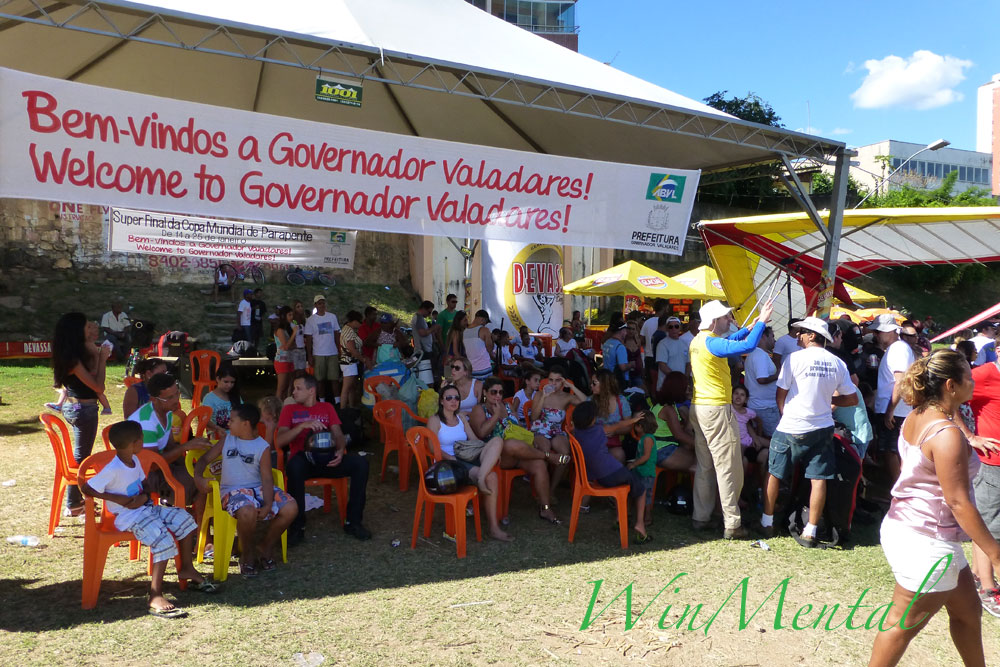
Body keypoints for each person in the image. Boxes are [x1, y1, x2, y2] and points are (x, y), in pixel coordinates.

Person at [868, 349, 1000, 666]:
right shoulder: (947, 434)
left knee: (968, 612)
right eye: (969, 376)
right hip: (927, 539)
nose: (974, 380)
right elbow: (957, 501)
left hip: (915, 528)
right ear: (952, 385)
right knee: (900, 626)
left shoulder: (919, 414)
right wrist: (996, 554)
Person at [80, 420, 218, 618]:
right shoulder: (113, 469)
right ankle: (155, 594)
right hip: (128, 517)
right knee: (163, 540)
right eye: (142, 439)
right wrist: (121, 499)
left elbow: (141, 484)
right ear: (135, 443)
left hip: (145, 508)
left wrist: (142, 497)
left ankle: (186, 567)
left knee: (185, 520)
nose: (144, 442)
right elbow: (86, 488)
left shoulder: (134, 460)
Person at [756, 317, 858, 548]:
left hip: (790, 425)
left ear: (812, 336)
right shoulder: (838, 363)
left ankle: (767, 521)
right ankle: (811, 530)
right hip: (822, 427)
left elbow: (781, 392)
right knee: (819, 478)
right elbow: (851, 398)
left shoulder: (794, 358)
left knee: (774, 472)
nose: (798, 336)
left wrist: (784, 412)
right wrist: (827, 398)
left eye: (801, 332)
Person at [688, 298, 772, 540]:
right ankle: (733, 524)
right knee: (729, 467)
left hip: (700, 408)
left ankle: (701, 517)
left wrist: (749, 327)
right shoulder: (711, 343)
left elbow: (730, 343)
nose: (730, 319)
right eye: (726, 317)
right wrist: (761, 323)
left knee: (705, 467)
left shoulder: (699, 340)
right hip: (715, 410)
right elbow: (746, 347)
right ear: (714, 321)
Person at [195, 404, 297, 578]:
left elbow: (266, 477)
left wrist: (267, 503)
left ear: (245, 424)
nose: (228, 423)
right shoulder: (227, 440)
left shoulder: (261, 446)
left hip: (257, 488)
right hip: (232, 491)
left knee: (291, 507)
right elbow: (204, 459)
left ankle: (266, 546)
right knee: (247, 511)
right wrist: (199, 477)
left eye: (232, 420)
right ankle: (247, 553)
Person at [276, 374, 371, 544]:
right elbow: (280, 440)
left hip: (328, 459)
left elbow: (338, 435)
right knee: (294, 467)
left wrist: (341, 450)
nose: (293, 393)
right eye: (294, 389)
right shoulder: (289, 410)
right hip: (304, 461)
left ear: (311, 391)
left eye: (298, 389)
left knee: (360, 463)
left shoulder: (327, 408)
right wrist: (301, 426)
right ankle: (297, 527)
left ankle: (353, 522)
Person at [470, 377, 562, 524]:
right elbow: (481, 433)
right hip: (495, 456)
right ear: (485, 393)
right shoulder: (479, 409)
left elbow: (518, 426)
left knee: (539, 465)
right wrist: (495, 416)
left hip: (518, 452)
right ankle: (548, 456)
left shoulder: (507, 405)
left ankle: (545, 508)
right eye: (494, 392)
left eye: (500, 392)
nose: (498, 396)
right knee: (510, 444)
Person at [427, 385, 512, 541]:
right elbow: (432, 448)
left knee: (497, 441)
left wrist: (491, 451)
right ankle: (493, 527)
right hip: (449, 463)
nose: (454, 401)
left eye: (457, 398)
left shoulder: (460, 418)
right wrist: (449, 458)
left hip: (466, 455)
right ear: (441, 401)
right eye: (449, 398)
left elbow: (474, 440)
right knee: (491, 477)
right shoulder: (435, 420)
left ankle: (481, 479)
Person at [52, 312, 111, 516]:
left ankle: (74, 502)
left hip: (75, 407)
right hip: (83, 410)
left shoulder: (71, 354)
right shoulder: (73, 360)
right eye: (87, 327)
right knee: (81, 457)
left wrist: (96, 356)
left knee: (81, 453)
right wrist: (102, 359)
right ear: (77, 331)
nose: (90, 330)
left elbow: (91, 377)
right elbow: (98, 386)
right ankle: (74, 503)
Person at [129, 373, 211, 519]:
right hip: (141, 475)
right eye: (169, 398)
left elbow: (170, 445)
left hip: (156, 466)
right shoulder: (146, 422)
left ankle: (198, 521)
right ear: (153, 399)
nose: (176, 401)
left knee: (203, 472)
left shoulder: (167, 412)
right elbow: (152, 465)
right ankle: (196, 525)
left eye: (177, 394)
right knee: (199, 481)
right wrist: (185, 447)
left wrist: (192, 452)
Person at [572, 402, 650, 543]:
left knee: (628, 484)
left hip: (597, 476)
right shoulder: (599, 429)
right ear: (591, 419)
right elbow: (619, 425)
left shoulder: (576, 432)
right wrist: (634, 419)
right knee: (641, 489)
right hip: (611, 473)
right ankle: (640, 524)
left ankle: (620, 518)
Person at [967, 354, 1000, 617]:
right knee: (988, 527)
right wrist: (970, 436)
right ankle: (988, 589)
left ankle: (978, 575)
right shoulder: (985, 374)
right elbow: (946, 396)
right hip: (992, 463)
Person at [873, 313, 917, 483]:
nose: (876, 335)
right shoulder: (897, 348)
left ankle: (898, 492)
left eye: (879, 332)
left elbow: (900, 382)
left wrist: (890, 410)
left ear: (890, 331)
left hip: (895, 410)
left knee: (891, 451)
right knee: (891, 451)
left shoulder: (898, 349)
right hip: (896, 408)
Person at [530, 365, 587, 495]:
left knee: (565, 453)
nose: (553, 383)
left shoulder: (567, 397)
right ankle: (541, 490)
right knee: (543, 450)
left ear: (563, 381)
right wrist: (543, 397)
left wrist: (571, 386)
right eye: (551, 380)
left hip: (556, 431)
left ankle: (551, 490)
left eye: (557, 380)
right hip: (540, 429)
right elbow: (534, 417)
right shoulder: (539, 394)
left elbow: (586, 402)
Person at [589, 369, 643, 461]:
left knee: (619, 455)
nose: (591, 385)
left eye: (594, 383)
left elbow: (628, 427)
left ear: (604, 384)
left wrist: (615, 432)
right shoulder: (591, 401)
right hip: (595, 442)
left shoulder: (621, 401)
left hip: (614, 443)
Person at [650, 372, 697, 474]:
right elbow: (679, 435)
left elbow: (685, 430)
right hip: (662, 450)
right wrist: (701, 444)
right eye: (686, 387)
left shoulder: (661, 405)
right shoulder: (668, 409)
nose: (688, 389)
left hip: (655, 449)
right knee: (702, 464)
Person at [731, 385, 769, 501]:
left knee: (772, 445)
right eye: (736, 393)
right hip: (737, 442)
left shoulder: (748, 412)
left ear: (746, 399)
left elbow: (758, 420)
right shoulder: (728, 409)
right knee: (740, 461)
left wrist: (757, 434)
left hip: (748, 438)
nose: (738, 396)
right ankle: (739, 494)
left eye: (742, 395)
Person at [743, 325, 780, 437]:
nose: (774, 340)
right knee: (774, 440)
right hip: (765, 407)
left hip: (763, 406)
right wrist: (778, 375)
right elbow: (761, 379)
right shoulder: (760, 355)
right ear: (764, 336)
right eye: (772, 336)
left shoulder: (757, 354)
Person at [626, 411, 660, 530]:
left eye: (636, 425)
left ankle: (647, 517)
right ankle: (631, 514)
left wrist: (634, 464)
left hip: (646, 472)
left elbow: (646, 456)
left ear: (640, 426)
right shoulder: (643, 437)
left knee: (646, 496)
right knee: (636, 492)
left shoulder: (648, 439)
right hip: (640, 470)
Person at [304, 295, 341, 402]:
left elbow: (336, 334)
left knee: (334, 378)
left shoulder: (332, 317)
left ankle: (337, 401)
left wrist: (339, 349)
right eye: (319, 303)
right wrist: (310, 355)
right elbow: (309, 339)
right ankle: (321, 401)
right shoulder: (311, 320)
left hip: (332, 352)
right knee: (320, 380)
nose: (322, 305)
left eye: (323, 303)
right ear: (315, 305)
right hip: (318, 353)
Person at [338, 310, 369, 410]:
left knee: (351, 388)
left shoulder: (348, 329)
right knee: (346, 388)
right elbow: (352, 350)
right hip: (348, 363)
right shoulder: (349, 332)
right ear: (354, 321)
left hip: (349, 363)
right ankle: (342, 410)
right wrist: (363, 359)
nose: (361, 324)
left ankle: (351, 406)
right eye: (360, 322)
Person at [201, 363, 242, 438]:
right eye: (226, 382)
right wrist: (217, 428)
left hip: (237, 436)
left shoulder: (235, 396)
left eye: (232, 382)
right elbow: (204, 420)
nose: (229, 385)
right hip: (218, 437)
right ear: (218, 379)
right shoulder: (209, 398)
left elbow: (243, 413)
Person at [655, 316, 690, 391]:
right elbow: (662, 365)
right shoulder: (662, 344)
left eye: (676, 326)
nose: (674, 329)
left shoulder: (684, 344)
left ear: (680, 328)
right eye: (671, 327)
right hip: (666, 386)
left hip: (681, 386)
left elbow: (688, 364)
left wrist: (684, 379)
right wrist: (676, 378)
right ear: (667, 329)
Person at [411, 300, 441, 382]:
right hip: (423, 351)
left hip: (424, 350)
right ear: (424, 309)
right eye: (429, 312)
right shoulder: (419, 318)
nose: (429, 314)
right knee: (427, 377)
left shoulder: (420, 318)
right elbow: (422, 333)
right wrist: (433, 328)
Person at [640, 299, 669, 385]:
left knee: (650, 383)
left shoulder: (647, 323)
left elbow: (641, 340)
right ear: (664, 308)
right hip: (663, 359)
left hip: (649, 357)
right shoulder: (668, 322)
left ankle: (651, 398)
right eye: (667, 307)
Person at [272, 306, 298, 399]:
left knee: (289, 386)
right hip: (282, 361)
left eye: (292, 315)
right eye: (289, 315)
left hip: (290, 359)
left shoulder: (288, 329)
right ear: (284, 316)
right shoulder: (280, 330)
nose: (292, 317)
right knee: (281, 387)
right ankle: (277, 409)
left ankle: (286, 405)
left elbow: (292, 345)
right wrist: (294, 333)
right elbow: (286, 346)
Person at [463, 309, 494, 380]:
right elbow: (490, 349)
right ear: (483, 319)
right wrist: (492, 339)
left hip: (470, 369)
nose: (485, 324)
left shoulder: (465, 331)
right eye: (485, 322)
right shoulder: (485, 330)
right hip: (484, 368)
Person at [601, 321, 631, 389]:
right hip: (618, 380)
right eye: (625, 330)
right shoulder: (620, 346)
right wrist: (632, 364)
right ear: (622, 331)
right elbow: (623, 367)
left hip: (607, 378)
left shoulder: (606, 343)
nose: (626, 333)